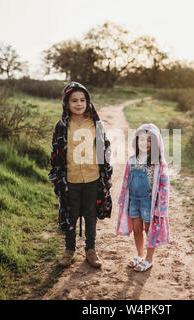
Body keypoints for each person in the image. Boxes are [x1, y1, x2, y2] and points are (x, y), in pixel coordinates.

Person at [48, 81, 113, 268]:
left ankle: (91, 250)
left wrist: (104, 168)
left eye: (82, 100)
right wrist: (58, 176)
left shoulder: (95, 123)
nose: (78, 103)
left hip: (92, 177)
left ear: (88, 101)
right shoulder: (61, 126)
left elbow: (105, 147)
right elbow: (56, 152)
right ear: (66, 103)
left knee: (91, 214)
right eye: (74, 100)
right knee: (71, 214)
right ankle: (69, 250)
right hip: (71, 179)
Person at [116, 123, 170, 272]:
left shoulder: (157, 162)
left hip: (148, 201)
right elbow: (126, 181)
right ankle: (139, 255)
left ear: (156, 143)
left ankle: (149, 259)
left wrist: (162, 206)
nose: (145, 143)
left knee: (149, 229)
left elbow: (164, 186)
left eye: (149, 141)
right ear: (136, 141)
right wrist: (123, 199)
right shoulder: (132, 159)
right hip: (134, 200)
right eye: (142, 140)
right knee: (137, 228)